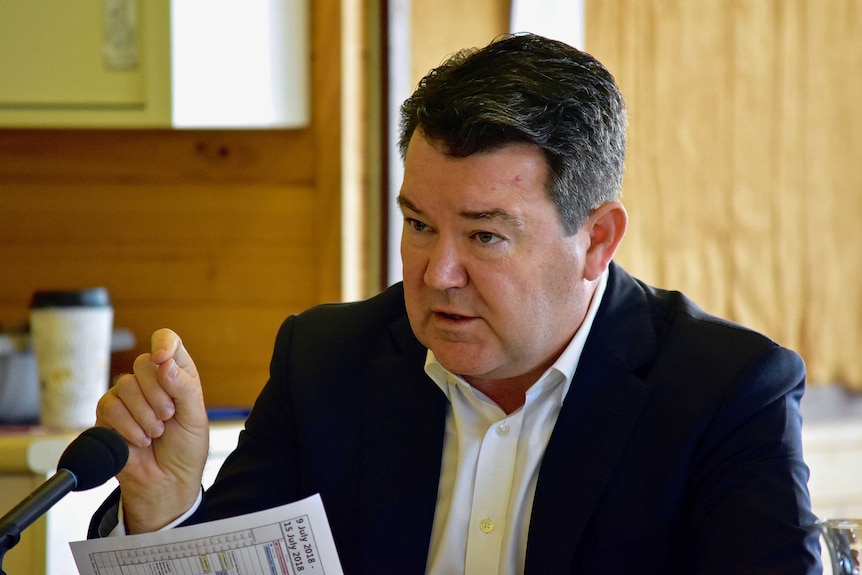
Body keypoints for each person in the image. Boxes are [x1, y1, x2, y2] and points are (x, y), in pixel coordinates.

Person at [89, 33, 821, 574]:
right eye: (418, 225)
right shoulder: (327, 362)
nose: (438, 273)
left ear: (596, 239)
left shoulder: (723, 390)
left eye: (485, 236)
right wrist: (166, 511)